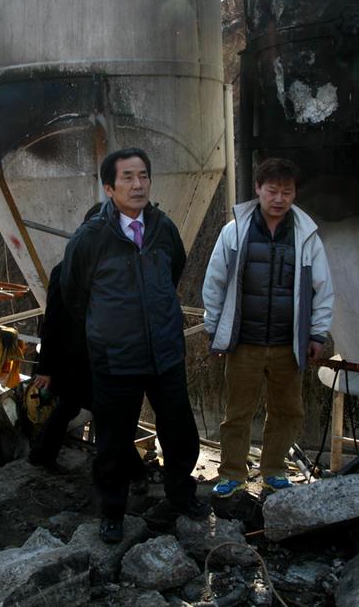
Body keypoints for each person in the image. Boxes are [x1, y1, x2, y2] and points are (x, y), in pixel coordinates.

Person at [61, 147, 207, 544]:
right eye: (127, 177)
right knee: (113, 440)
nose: (137, 184)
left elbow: (173, 270)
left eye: (143, 175)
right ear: (109, 188)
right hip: (115, 359)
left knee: (180, 432)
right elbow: (72, 294)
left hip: (164, 354)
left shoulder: (163, 228)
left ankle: (181, 495)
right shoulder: (91, 238)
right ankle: (112, 511)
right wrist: (105, 333)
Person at [202, 157, 334, 497]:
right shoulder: (234, 232)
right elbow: (214, 283)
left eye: (286, 192)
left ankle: (274, 470)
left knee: (287, 411)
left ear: (294, 194)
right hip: (244, 342)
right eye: (272, 190)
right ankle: (232, 473)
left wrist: (317, 333)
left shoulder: (306, 236)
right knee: (237, 413)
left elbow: (323, 289)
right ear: (258, 190)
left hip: (287, 344)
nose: (279, 198)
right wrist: (215, 329)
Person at [28, 205, 148, 494]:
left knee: (70, 408)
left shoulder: (121, 269)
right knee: (107, 416)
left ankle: (41, 455)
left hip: (103, 357)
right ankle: (136, 472)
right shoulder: (64, 271)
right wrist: (46, 368)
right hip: (77, 360)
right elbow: (53, 321)